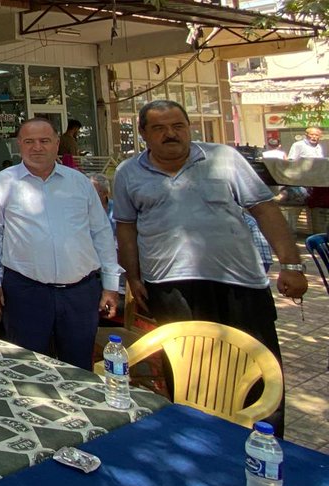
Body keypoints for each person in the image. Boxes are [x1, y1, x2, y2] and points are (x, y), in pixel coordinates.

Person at [114, 100, 307, 437]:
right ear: (143, 133)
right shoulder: (128, 173)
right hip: (170, 285)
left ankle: (265, 443)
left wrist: (291, 264)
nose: (170, 134)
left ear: (189, 127)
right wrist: (133, 276)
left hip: (239, 282)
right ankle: (198, 440)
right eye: (159, 128)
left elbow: (265, 210)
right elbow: (126, 227)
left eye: (178, 125)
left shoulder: (224, 158)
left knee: (257, 368)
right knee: (188, 370)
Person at [0, 118, 120, 369]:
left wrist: (111, 284)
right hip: (25, 291)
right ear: (19, 145)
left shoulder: (80, 183)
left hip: (79, 293)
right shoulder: (1, 183)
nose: (37, 147)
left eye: (44, 141)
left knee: (78, 368)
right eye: (29, 141)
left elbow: (101, 233)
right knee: (27, 367)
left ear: (57, 144)